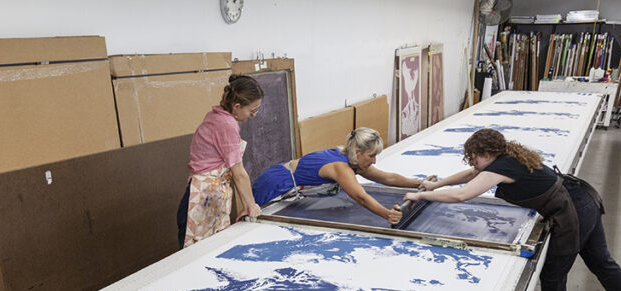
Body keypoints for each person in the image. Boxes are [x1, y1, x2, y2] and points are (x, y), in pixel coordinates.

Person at [403, 128, 621, 291]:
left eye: (474, 157)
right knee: (600, 261)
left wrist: (422, 194)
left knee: (553, 276)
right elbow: (472, 174)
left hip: (572, 212)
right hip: (584, 199)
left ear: (486, 154)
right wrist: (437, 184)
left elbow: (463, 194)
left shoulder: (501, 167)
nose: (472, 163)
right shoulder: (507, 158)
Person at [251, 127, 437, 225]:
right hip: (274, 183)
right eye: (371, 156)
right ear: (358, 152)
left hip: (285, 184)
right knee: (252, 219)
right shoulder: (341, 167)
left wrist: (419, 184)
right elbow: (360, 197)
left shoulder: (352, 158)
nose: (374, 161)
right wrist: (387, 214)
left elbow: (386, 178)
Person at [177, 75, 263, 248]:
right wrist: (251, 206)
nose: (254, 115)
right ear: (236, 106)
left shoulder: (216, 115)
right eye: (252, 110)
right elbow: (239, 174)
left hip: (213, 194)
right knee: (196, 252)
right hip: (202, 197)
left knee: (212, 248)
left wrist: (248, 205)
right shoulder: (226, 125)